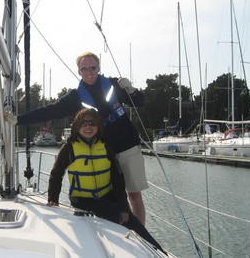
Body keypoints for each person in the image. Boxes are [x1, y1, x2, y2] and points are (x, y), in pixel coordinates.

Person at [4, 51, 149, 225]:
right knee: (112, 196)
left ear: (98, 68)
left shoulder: (114, 85)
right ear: (79, 71)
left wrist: (132, 91)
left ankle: (141, 234)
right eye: (84, 68)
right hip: (103, 151)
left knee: (134, 195)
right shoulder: (75, 98)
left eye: (92, 67)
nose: (89, 71)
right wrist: (19, 120)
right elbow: (49, 111)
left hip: (128, 146)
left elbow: (140, 102)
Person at [47, 108, 164, 253]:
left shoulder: (106, 147)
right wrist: (53, 199)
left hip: (107, 196)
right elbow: (56, 174)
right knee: (113, 212)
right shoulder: (69, 148)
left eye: (92, 123)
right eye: (83, 123)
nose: (88, 127)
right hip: (82, 200)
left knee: (136, 225)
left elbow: (118, 179)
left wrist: (123, 206)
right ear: (77, 126)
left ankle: (158, 252)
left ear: (98, 126)